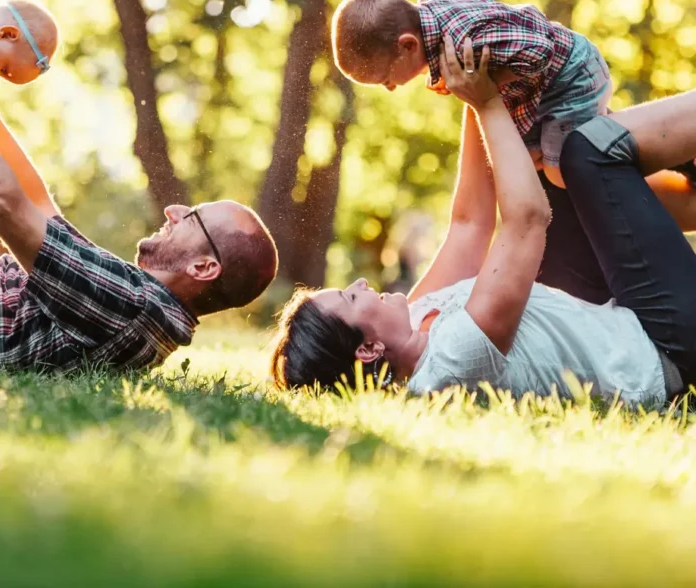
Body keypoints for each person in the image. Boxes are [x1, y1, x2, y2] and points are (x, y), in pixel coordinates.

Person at [271, 35, 696, 406]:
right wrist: (490, 103)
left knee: (546, 162)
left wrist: (472, 85)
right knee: (587, 150)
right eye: (349, 298)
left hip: (624, 320)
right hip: (668, 351)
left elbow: (469, 223)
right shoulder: (450, 365)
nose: (360, 285)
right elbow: (527, 221)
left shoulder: (418, 316)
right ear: (368, 349)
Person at [0, 9, 278, 368]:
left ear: (204, 268)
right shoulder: (138, 303)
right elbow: (34, 202)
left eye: (193, 217)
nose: (175, 210)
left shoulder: (132, 307)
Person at [331, 0, 612, 187]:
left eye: (386, 79)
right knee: (521, 163)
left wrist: (490, 86)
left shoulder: (468, 45)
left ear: (408, 45)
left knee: (557, 173)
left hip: (572, 74)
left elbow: (541, 51)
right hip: (548, 85)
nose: (391, 88)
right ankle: (596, 126)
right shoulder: (432, 2)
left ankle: (621, 137)